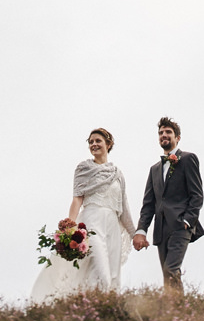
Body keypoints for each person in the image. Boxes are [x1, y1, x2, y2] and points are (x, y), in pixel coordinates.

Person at [30, 128, 136, 303]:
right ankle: (91, 307)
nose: (94, 144)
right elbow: (77, 200)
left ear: (108, 144)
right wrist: (70, 228)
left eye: (98, 141)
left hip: (113, 227)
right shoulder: (83, 169)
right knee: (100, 270)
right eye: (91, 142)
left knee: (113, 275)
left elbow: (124, 209)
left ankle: (102, 312)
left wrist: (136, 234)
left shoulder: (118, 174)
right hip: (91, 223)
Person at [134, 116, 204, 295]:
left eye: (168, 132)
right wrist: (141, 230)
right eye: (160, 133)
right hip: (161, 229)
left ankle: (176, 311)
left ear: (177, 137)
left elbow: (197, 195)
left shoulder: (188, 159)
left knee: (171, 269)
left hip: (181, 225)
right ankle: (175, 313)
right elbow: (148, 204)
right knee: (168, 275)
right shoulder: (154, 169)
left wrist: (188, 220)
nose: (163, 135)